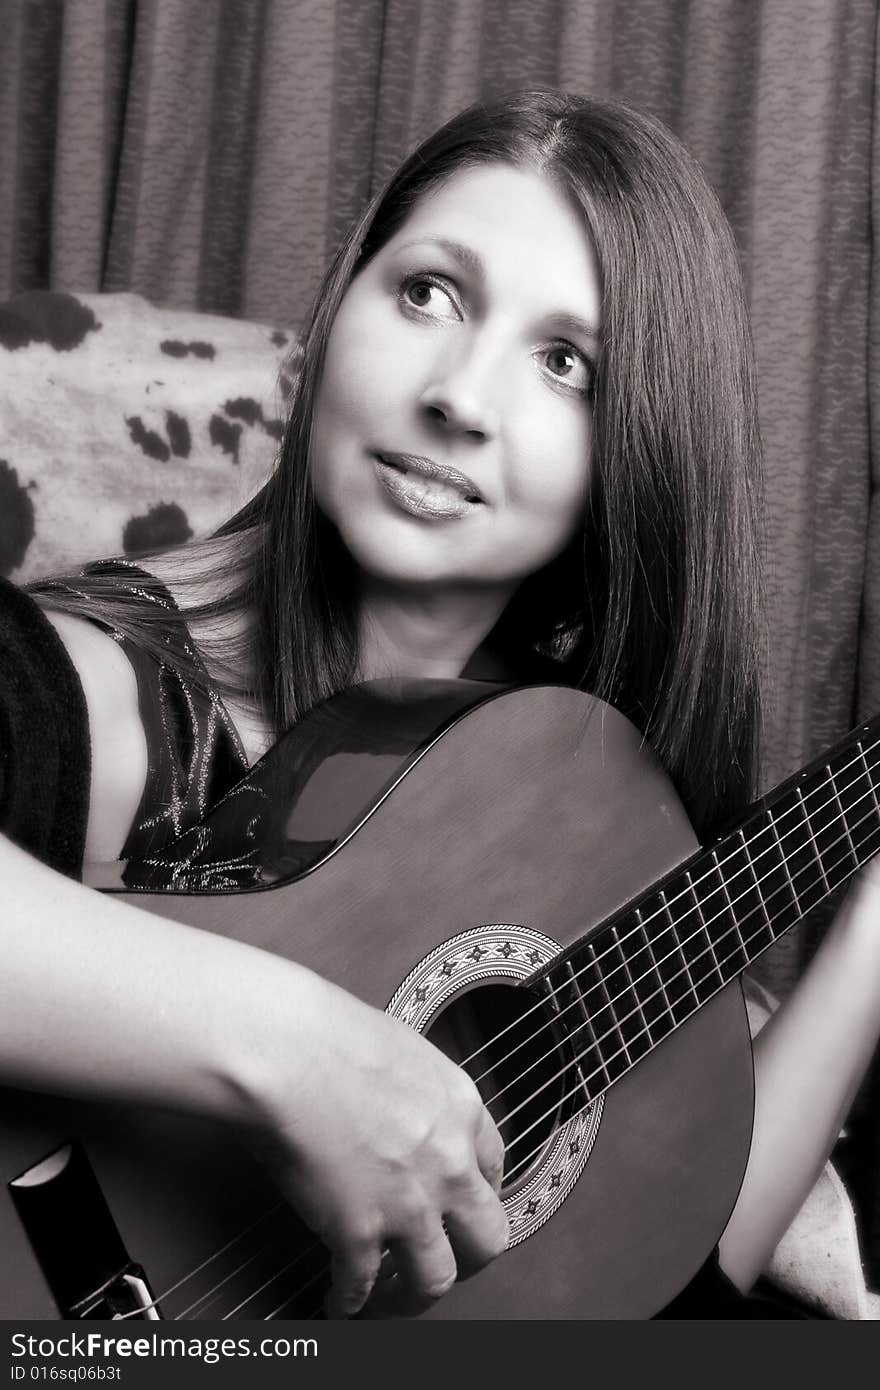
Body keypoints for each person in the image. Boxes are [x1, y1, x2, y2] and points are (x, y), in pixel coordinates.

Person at [2, 88, 880, 1321]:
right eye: (429, 293)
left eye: (565, 362)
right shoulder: (81, 684)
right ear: (342, 304)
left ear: (637, 452)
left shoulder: (565, 795)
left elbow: (667, 1253)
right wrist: (302, 1055)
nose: (461, 396)